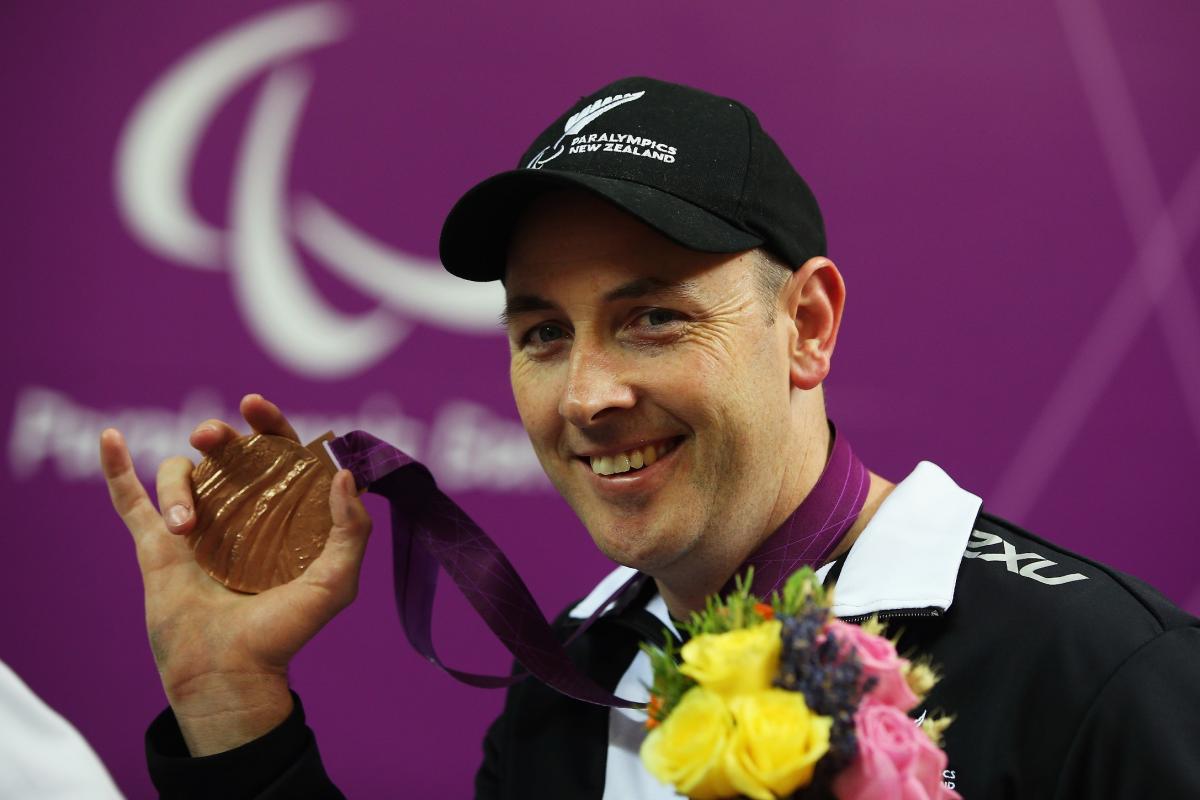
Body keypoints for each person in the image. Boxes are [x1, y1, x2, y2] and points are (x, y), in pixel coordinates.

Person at [100, 77, 1200, 799]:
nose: (586, 393)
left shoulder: (1098, 675)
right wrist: (231, 700)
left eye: (653, 317)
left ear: (806, 326)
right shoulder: (572, 688)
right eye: (541, 332)